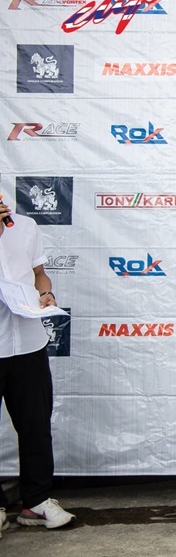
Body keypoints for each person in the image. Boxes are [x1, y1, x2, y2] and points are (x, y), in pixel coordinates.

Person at [0, 199, 75, 535]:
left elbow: (39, 275)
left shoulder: (26, 226)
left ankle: (36, 501)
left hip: (29, 343)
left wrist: (46, 295)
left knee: (35, 425)